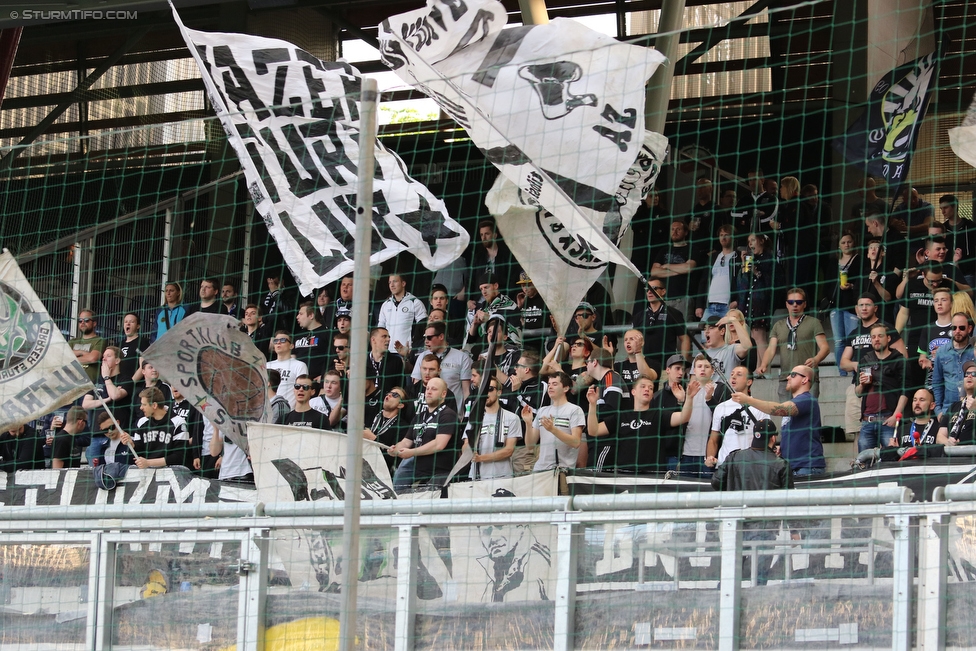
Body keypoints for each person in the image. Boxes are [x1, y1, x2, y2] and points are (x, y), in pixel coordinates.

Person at [711, 419, 792, 585]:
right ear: (772, 439)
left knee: (730, 574)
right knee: (760, 577)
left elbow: (716, 483)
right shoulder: (781, 464)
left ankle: (720, 607)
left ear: (754, 437)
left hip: (735, 524)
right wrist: (795, 529)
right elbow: (789, 500)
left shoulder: (734, 457)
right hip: (766, 527)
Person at [732, 365, 825, 476]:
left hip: (806, 467)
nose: (788, 377)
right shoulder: (799, 401)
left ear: (805, 379)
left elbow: (778, 409)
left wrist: (748, 400)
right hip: (796, 467)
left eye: (793, 375)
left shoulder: (806, 399)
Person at [756, 288, 829, 399]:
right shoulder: (778, 325)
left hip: (807, 378)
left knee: (807, 414)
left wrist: (816, 359)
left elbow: (825, 347)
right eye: (791, 302)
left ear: (804, 304)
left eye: (798, 302)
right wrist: (764, 364)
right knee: (786, 414)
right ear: (786, 304)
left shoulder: (813, 322)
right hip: (786, 377)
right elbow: (771, 349)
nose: (794, 305)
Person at [389, 378, 458, 491]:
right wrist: (395, 449)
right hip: (418, 471)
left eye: (434, 389)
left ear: (443, 394)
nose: (429, 392)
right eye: (427, 388)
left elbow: (439, 444)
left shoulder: (448, 415)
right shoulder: (419, 417)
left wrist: (411, 452)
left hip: (439, 474)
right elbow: (406, 441)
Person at [854, 324, 910, 452]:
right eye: (873, 337)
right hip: (867, 420)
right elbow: (857, 393)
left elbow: (905, 390)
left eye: (880, 336)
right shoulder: (865, 360)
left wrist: (896, 416)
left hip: (888, 419)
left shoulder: (899, 360)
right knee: (865, 463)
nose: (876, 339)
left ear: (889, 338)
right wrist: (862, 384)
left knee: (891, 460)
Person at [707, 364, 771, 468]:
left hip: (751, 465)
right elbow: (713, 439)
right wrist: (710, 457)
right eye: (732, 374)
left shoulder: (759, 407)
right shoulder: (720, 407)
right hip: (725, 464)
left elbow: (769, 439)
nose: (733, 377)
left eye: (739, 374)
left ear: (749, 382)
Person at [678, 355, 730, 476]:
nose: (702, 369)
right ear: (694, 370)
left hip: (709, 456)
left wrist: (710, 399)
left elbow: (724, 420)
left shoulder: (721, 389)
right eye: (699, 366)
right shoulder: (687, 390)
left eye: (706, 367)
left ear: (712, 371)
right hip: (686, 453)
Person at [524, 372, 586, 471]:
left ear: (566, 388)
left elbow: (576, 442)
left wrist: (553, 430)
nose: (550, 387)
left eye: (555, 384)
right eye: (549, 384)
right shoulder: (542, 411)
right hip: (540, 469)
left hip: (562, 470)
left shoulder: (575, 410)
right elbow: (530, 445)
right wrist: (528, 423)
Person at [462, 376, 522, 480]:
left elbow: (509, 450)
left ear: (499, 392)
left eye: (489, 389)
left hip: (502, 477)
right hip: (476, 477)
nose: (486, 393)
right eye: (483, 390)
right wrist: (468, 452)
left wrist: (481, 458)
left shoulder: (512, 418)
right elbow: (466, 445)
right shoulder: (473, 418)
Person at [81, 345, 133, 462]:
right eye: (103, 356)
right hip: (97, 434)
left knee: (115, 468)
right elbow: (86, 404)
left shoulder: (125, 379)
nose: (104, 359)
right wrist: (106, 399)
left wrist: (106, 377)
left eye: (108, 356)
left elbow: (116, 395)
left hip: (116, 435)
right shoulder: (96, 381)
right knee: (94, 472)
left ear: (117, 360)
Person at [119, 387, 192, 468]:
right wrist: (131, 444)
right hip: (148, 473)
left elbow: (180, 456)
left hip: (171, 473)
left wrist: (149, 463)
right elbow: (139, 451)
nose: (141, 408)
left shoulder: (179, 422)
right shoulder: (141, 422)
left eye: (144, 404)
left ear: (154, 405)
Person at [632, 280, 690, 377]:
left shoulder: (673, 313)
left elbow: (685, 339)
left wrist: (681, 363)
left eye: (654, 289)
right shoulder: (639, 316)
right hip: (643, 367)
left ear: (663, 291)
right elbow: (633, 340)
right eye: (647, 289)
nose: (649, 292)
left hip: (666, 368)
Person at [411, 322, 470, 410]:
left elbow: (466, 391)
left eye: (429, 337)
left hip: (452, 412)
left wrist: (465, 415)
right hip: (426, 413)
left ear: (441, 336)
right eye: (425, 337)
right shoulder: (422, 356)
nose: (426, 341)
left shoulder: (462, 357)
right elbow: (417, 386)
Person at [580, 348, 623, 468]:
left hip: (607, 441)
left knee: (596, 479)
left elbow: (612, 409)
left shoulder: (610, 378)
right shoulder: (605, 380)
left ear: (595, 362)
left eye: (587, 362)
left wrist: (587, 418)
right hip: (602, 440)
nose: (586, 366)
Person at [825, 233, 860, 375]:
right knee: (839, 341)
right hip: (835, 305)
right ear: (838, 245)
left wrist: (852, 286)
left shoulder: (859, 260)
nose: (846, 245)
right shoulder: (833, 262)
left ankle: (852, 371)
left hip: (852, 306)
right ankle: (842, 373)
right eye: (843, 242)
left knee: (852, 340)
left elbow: (862, 281)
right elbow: (827, 284)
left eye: (849, 241)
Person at [651, 219, 701, 319]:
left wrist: (667, 266)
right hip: (665, 299)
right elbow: (654, 272)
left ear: (686, 232)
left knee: (684, 330)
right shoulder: (664, 250)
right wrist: (679, 271)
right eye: (672, 229)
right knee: (665, 332)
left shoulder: (692, 249)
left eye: (678, 229)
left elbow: (688, 268)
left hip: (683, 299)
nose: (675, 232)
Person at [736, 233, 774, 363]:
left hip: (760, 303)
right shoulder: (750, 259)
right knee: (752, 336)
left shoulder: (769, 259)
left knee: (759, 337)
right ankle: (759, 368)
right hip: (748, 303)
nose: (750, 243)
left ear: (762, 241)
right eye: (748, 241)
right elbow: (742, 285)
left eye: (753, 240)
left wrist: (756, 271)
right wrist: (743, 265)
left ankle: (764, 369)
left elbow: (772, 283)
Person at [931, 312, 975, 418]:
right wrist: (938, 411)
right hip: (948, 411)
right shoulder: (942, 352)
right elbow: (937, 383)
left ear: (969, 329)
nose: (957, 331)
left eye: (962, 328)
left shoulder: (974, 351)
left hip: (972, 409)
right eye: (954, 328)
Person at [695, 224, 739, 322]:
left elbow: (744, 282)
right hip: (710, 305)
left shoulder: (739, 257)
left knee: (728, 336)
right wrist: (699, 305)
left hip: (728, 306)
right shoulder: (713, 257)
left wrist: (738, 301)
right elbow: (703, 281)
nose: (723, 237)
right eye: (721, 234)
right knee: (705, 335)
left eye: (726, 234)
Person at [469, 272, 522, 349]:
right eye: (481, 289)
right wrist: (474, 324)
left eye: (486, 287)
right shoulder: (482, 307)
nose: (483, 292)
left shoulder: (509, 305)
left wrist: (489, 319)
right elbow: (470, 340)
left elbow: (513, 337)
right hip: (481, 351)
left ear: (496, 286)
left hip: (502, 352)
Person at [377, 273, 427, 353]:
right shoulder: (386, 304)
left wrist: (413, 348)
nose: (392, 285)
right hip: (387, 352)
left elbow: (423, 328)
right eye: (390, 282)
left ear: (403, 283)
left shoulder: (415, 303)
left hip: (406, 352)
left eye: (395, 281)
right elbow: (380, 328)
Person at [917, 287, 955, 389]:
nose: (939, 303)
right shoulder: (927, 328)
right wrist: (924, 361)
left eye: (944, 300)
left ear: (951, 303)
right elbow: (922, 356)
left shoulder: (958, 327)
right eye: (936, 300)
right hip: (932, 381)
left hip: (953, 380)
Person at [470, 217, 518, 296]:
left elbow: (512, 280)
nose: (484, 238)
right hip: (480, 302)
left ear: (495, 235)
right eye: (481, 235)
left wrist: (507, 299)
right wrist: (469, 299)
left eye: (487, 234)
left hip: (501, 300)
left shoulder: (507, 256)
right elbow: (471, 280)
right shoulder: (478, 258)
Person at [701, 314, 752, 382]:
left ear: (722, 331)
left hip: (726, 391)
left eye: (711, 328)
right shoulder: (700, 356)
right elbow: (694, 381)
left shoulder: (731, 350)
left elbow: (747, 346)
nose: (706, 331)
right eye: (705, 328)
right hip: (706, 392)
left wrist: (734, 320)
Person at [939, 195, 976, 285]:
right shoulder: (943, 229)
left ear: (954, 206)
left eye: (946, 208)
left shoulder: (970, 226)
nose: (943, 211)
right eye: (941, 208)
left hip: (968, 273)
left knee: (967, 298)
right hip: (948, 272)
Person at [938, 360, 976, 445]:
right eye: (966, 374)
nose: (969, 376)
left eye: (974, 374)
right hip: (954, 456)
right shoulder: (953, 407)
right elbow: (940, 436)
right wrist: (948, 442)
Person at [266, 331, 308, 409]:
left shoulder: (299, 365)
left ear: (291, 346)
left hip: (288, 412)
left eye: (282, 340)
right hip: (267, 411)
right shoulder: (267, 365)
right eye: (275, 341)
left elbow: (303, 391)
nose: (278, 342)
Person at [615, 329, 657, 406]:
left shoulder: (653, 363)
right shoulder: (618, 366)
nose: (628, 342)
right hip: (625, 411)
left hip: (646, 411)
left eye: (632, 339)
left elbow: (647, 377)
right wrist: (609, 355)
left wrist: (637, 352)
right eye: (625, 340)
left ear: (642, 342)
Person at [514, 273, 551, 354]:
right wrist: (518, 307)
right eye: (523, 286)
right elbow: (513, 324)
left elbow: (547, 322)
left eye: (528, 285)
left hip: (542, 343)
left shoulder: (545, 300)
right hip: (523, 344)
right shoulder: (522, 300)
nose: (525, 289)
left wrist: (525, 325)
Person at [293, 303, 330, 381]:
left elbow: (331, 357)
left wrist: (323, 376)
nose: (297, 317)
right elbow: (293, 357)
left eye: (301, 314)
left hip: (316, 381)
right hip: (298, 382)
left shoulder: (326, 333)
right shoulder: (298, 335)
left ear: (311, 315)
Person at [69, 309, 106, 383]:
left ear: (94, 323)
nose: (82, 323)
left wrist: (71, 358)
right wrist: (82, 352)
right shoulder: (72, 341)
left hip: (90, 385)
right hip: (71, 384)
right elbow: (63, 358)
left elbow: (92, 358)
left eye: (86, 320)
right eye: (80, 320)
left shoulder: (100, 340)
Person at [118, 312, 149, 381]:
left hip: (136, 386)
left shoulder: (142, 342)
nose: (128, 323)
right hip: (118, 385)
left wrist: (130, 384)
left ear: (138, 326)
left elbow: (143, 366)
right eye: (125, 322)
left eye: (131, 322)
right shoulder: (118, 345)